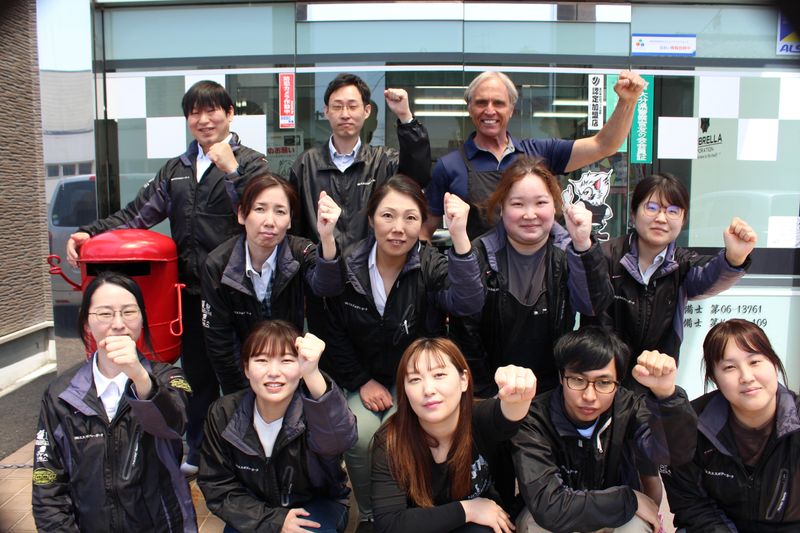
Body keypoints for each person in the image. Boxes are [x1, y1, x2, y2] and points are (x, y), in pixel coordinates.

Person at [65, 80, 269, 475]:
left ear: (229, 114)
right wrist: (90, 232)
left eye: (212, 110)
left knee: (244, 372)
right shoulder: (176, 169)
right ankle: (198, 451)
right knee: (197, 377)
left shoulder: (252, 163)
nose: (204, 119)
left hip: (238, 292)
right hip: (190, 294)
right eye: (195, 112)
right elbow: (137, 214)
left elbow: (261, 212)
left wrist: (232, 171)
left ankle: (252, 453)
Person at [322, 175, 484, 530]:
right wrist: (361, 381)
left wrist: (460, 237)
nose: (398, 228)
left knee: (405, 434)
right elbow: (332, 331)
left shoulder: (429, 263)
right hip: (362, 378)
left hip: (417, 379)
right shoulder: (348, 265)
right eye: (388, 216)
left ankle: (413, 509)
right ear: (370, 219)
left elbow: (469, 302)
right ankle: (371, 514)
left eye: (410, 218)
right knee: (359, 435)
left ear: (423, 222)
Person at [32, 272, 195, 532]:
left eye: (129, 312)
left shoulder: (169, 378)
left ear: (142, 319)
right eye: (105, 314)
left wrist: (140, 377)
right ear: (87, 322)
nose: (118, 324)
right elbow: (48, 486)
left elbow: (175, 425)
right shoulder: (61, 394)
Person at [451, 155, 613, 397]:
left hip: (556, 392)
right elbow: (465, 328)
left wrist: (583, 245)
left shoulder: (570, 251)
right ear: (502, 207)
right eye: (518, 204)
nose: (530, 214)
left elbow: (594, 306)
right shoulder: (479, 253)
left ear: (555, 206)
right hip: (494, 391)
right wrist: (485, 393)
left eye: (540, 203)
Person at [512, 326, 697, 533]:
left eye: (604, 383)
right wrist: (629, 498)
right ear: (561, 377)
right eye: (578, 380)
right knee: (536, 525)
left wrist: (667, 395)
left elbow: (674, 455)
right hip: (560, 516)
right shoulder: (534, 419)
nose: (589, 396)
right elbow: (548, 507)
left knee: (635, 526)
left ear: (618, 383)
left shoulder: (628, 408)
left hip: (613, 516)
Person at [421, 70, 646, 240]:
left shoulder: (540, 152)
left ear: (511, 110)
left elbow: (604, 145)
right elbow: (426, 230)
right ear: (470, 108)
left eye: (498, 103)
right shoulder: (449, 166)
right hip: (481, 279)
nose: (489, 110)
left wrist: (627, 101)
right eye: (481, 103)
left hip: (541, 278)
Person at [584, 173, 757, 388]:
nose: (661, 218)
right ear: (633, 213)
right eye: (652, 208)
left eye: (673, 211)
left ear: (683, 220)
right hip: (602, 380)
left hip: (656, 379)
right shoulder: (605, 256)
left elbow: (709, 276)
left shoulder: (682, 265)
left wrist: (735, 257)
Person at [198, 320, 357, 533]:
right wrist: (274, 521)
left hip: (316, 503)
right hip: (253, 509)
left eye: (286, 360)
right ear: (246, 368)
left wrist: (312, 374)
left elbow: (341, 440)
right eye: (262, 360)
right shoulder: (223, 413)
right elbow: (217, 485)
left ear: (300, 368)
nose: (273, 372)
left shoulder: (315, 408)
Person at [372, 337, 536, 533]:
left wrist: (520, 395)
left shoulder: (478, 417)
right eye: (415, 379)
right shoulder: (391, 439)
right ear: (404, 390)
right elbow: (389, 523)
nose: (428, 390)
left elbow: (507, 418)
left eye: (439, 375)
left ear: (463, 379)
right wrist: (468, 509)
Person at [201, 173, 344, 395]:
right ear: (242, 214)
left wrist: (326, 237)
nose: (270, 221)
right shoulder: (218, 265)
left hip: (294, 372)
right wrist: (244, 396)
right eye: (260, 209)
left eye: (280, 211)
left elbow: (327, 287)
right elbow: (220, 344)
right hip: (244, 379)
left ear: (290, 221)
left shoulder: (300, 252)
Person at [662, 319, 800, 530]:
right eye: (729, 367)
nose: (746, 377)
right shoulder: (690, 425)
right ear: (714, 378)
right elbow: (691, 504)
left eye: (755, 362)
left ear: (774, 363)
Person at [289, 72, 432, 249]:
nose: (345, 114)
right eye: (337, 107)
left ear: (366, 111)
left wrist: (405, 117)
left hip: (373, 262)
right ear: (326, 112)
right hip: (320, 263)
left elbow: (418, 177)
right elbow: (294, 227)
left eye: (352, 106)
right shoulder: (306, 164)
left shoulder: (383, 161)